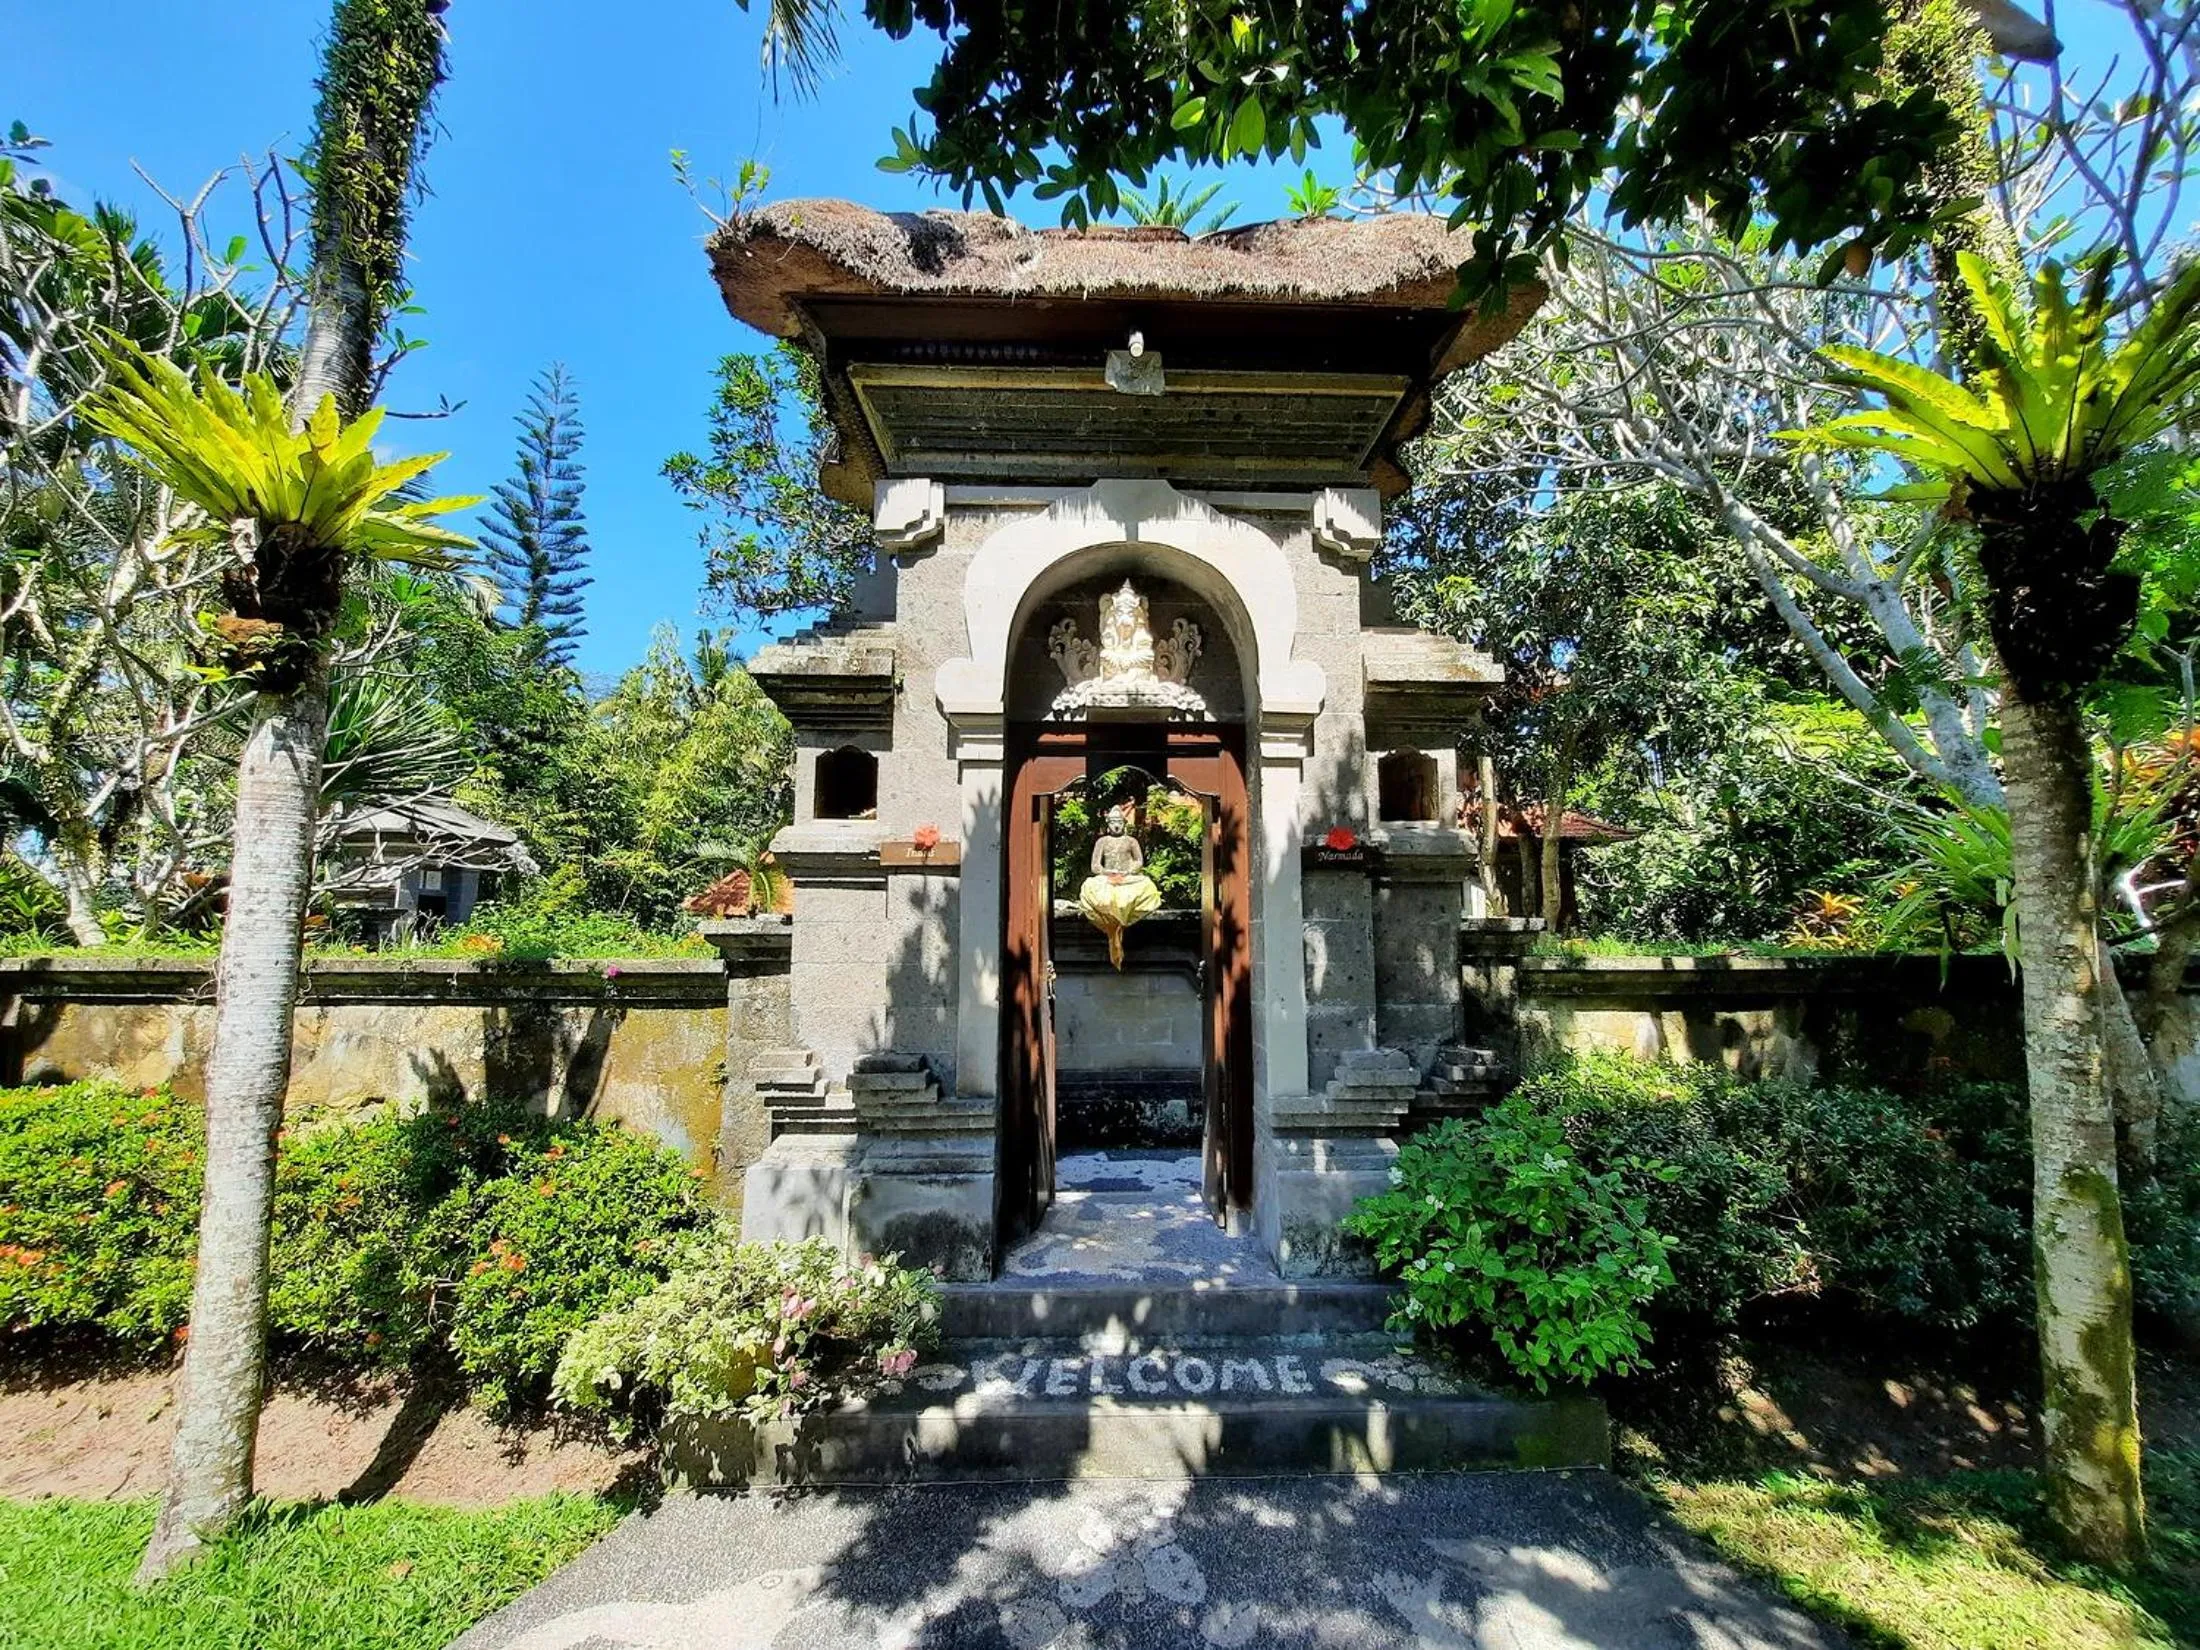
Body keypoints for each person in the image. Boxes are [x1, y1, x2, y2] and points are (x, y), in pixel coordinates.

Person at [1078, 803, 1163, 969]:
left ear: (1124, 824)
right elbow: (1095, 866)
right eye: (1112, 822)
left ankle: (1121, 919)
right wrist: (1107, 872)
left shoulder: (1130, 841)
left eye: (1119, 822)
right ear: (1108, 824)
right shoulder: (1102, 841)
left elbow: (1139, 861)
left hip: (1127, 878)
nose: (1116, 825)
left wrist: (1128, 871)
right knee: (1089, 887)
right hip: (1108, 878)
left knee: (1147, 885)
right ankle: (1113, 920)